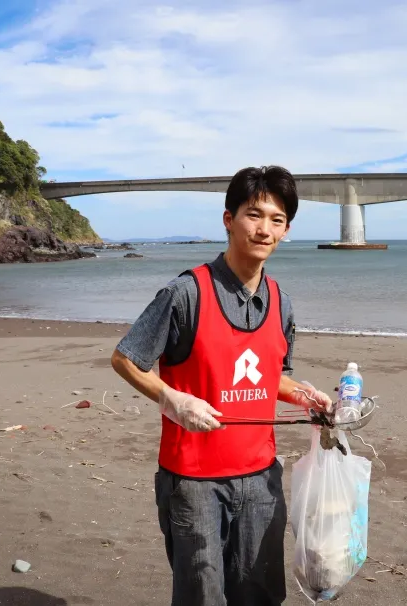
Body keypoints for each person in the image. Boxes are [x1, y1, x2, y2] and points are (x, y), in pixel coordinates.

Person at [110, 165, 334, 606]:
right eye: (254, 214)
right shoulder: (186, 293)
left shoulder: (281, 301)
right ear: (229, 219)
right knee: (202, 596)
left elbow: (269, 377)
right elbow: (125, 359)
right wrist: (172, 399)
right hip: (194, 482)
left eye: (277, 219)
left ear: (286, 230)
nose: (264, 229)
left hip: (260, 478)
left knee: (260, 594)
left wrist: (307, 396)